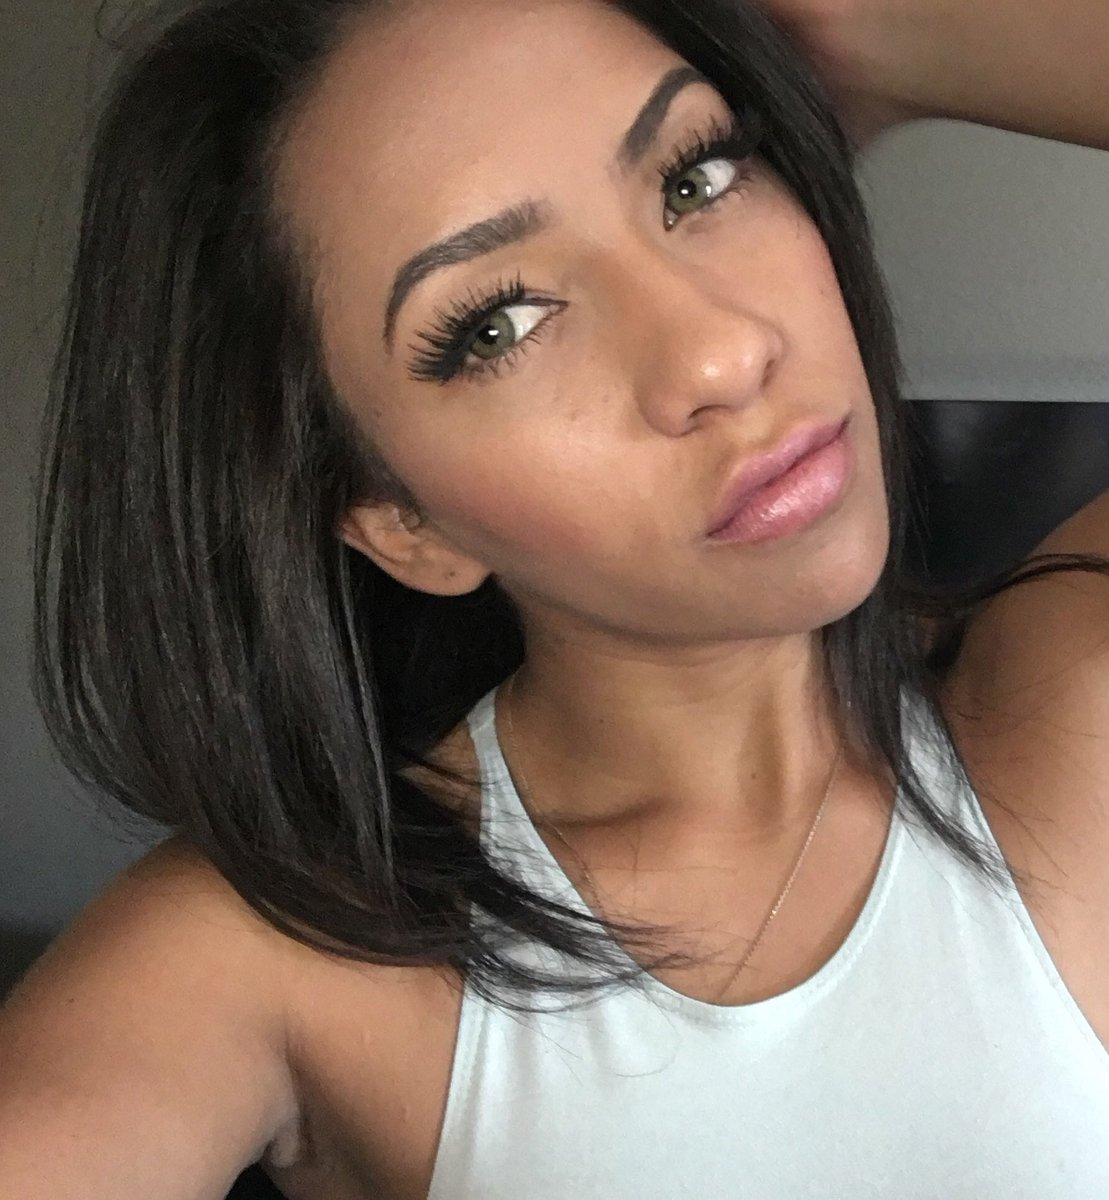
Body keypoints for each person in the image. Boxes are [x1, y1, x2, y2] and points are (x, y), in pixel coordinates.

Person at [2, 0, 1108, 1195]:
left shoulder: (1072, 692)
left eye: (695, 176)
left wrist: (872, 34)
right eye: (499, 325)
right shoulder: (278, 956)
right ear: (401, 520)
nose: (720, 354)